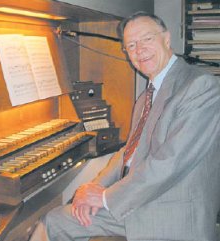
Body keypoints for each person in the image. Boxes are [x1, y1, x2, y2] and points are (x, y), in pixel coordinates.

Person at [30, 11, 220, 241]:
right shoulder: (147, 96)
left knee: (59, 222)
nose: (139, 50)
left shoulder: (200, 86)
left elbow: (170, 162)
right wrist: (91, 188)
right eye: (131, 45)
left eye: (147, 39)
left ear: (167, 38)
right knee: (55, 222)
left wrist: (105, 197)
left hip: (172, 212)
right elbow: (128, 153)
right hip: (141, 200)